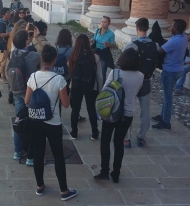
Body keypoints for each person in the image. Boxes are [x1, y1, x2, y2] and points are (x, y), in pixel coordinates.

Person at [25, 45, 77, 201]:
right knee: (58, 156)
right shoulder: (59, 79)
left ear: (42, 59)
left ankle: (40, 187)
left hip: (36, 121)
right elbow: (66, 104)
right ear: (54, 60)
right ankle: (64, 191)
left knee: (38, 154)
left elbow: (27, 101)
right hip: (53, 122)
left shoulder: (33, 77)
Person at [94, 48, 144, 183]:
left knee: (105, 141)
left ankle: (104, 170)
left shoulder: (115, 73)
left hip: (111, 112)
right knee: (118, 143)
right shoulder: (140, 76)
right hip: (127, 114)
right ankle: (116, 172)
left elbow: (105, 91)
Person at [122, 18, 160, 148]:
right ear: (147, 28)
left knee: (128, 109)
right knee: (145, 111)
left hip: (132, 80)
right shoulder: (154, 45)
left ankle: (126, 139)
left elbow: (123, 61)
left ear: (136, 28)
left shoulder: (132, 45)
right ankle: (141, 137)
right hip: (146, 80)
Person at [10, 29, 41, 165]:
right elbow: (47, 51)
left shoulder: (13, 53)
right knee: (32, 125)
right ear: (26, 41)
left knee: (19, 121)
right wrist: (36, 38)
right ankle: (30, 157)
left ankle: (17, 152)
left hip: (17, 91)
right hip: (30, 91)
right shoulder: (32, 56)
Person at [151, 19, 187, 130]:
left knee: (168, 97)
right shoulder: (184, 37)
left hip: (170, 71)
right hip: (178, 69)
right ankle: (162, 115)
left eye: (172, 26)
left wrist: (155, 43)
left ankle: (166, 122)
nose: (170, 27)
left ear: (176, 28)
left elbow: (160, 51)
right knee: (168, 95)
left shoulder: (174, 41)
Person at [67, 34, 103, 140]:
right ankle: (94, 133)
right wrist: (100, 90)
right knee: (91, 109)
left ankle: (74, 132)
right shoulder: (94, 57)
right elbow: (99, 76)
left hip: (76, 85)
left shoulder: (73, 56)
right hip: (91, 86)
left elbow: (70, 71)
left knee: (75, 110)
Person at [55, 29, 87, 123]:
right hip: (67, 77)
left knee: (58, 99)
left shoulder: (55, 49)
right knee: (71, 97)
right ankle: (76, 115)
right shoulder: (72, 50)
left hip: (56, 77)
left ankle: (58, 117)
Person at [91, 16, 116, 81]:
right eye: (102, 21)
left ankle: (102, 85)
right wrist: (92, 40)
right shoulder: (97, 30)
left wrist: (108, 44)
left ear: (108, 23)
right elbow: (94, 39)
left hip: (104, 53)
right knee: (93, 68)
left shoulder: (111, 34)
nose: (103, 23)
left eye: (105, 22)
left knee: (102, 71)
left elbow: (113, 45)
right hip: (96, 52)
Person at [0, 8, 13, 84]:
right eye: (8, 13)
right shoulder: (0, 23)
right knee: (3, 62)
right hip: (3, 45)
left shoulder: (8, 22)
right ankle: (2, 76)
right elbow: (0, 35)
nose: (10, 14)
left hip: (9, 44)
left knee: (11, 59)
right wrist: (10, 33)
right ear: (3, 15)